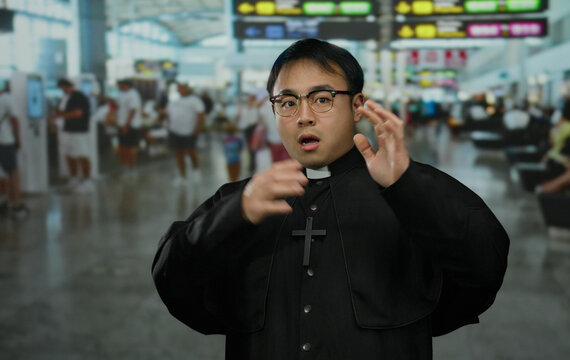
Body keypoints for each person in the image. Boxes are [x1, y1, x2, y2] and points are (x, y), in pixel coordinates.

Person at [152, 38, 509, 359]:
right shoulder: (240, 201)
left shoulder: (410, 188)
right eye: (288, 102)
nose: (304, 117)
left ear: (357, 106)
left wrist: (408, 188)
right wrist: (233, 216)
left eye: (322, 99)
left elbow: (484, 268)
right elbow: (175, 284)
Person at [54, 78, 94, 193]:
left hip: (78, 131)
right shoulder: (67, 97)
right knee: (70, 155)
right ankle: (74, 178)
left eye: (61, 88)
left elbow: (78, 113)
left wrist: (60, 116)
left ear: (65, 86)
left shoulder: (78, 96)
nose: (61, 90)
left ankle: (87, 182)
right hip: (68, 130)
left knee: (82, 155)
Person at [166, 83, 205, 185]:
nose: (180, 89)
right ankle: (182, 175)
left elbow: (201, 114)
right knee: (178, 153)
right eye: (179, 87)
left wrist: (198, 127)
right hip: (175, 130)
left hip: (189, 131)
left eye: (182, 87)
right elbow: (169, 113)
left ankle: (196, 170)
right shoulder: (174, 101)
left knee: (191, 151)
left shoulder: (194, 100)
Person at [0, 83, 29, 218]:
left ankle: (3, 201)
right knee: (13, 173)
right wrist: (18, 139)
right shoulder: (6, 98)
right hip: (6, 141)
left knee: (2, 174)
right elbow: (15, 120)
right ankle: (16, 203)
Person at [115, 79, 142, 176]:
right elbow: (115, 102)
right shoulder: (122, 95)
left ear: (125, 85)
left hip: (131, 125)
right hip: (122, 124)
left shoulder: (133, 94)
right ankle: (125, 166)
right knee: (122, 147)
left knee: (130, 148)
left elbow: (133, 110)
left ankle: (132, 169)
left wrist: (127, 125)